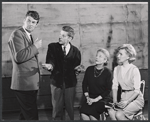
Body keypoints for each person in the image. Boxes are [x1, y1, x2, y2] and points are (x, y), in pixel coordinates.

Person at [8, 10, 42, 120]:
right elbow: (19, 57)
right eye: (29, 21)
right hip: (24, 84)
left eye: (34, 22)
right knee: (31, 116)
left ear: (36, 24)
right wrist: (35, 47)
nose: (31, 24)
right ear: (24, 20)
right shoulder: (17, 34)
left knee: (25, 115)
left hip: (29, 84)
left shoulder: (28, 35)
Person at [42, 26, 81, 120]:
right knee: (56, 109)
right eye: (60, 34)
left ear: (70, 38)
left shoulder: (76, 51)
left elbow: (76, 66)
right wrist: (50, 66)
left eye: (63, 35)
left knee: (69, 109)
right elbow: (50, 60)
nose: (60, 37)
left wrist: (78, 69)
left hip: (70, 83)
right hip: (56, 82)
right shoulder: (52, 47)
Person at [107, 44, 144, 120]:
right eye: (118, 53)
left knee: (119, 114)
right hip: (123, 98)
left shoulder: (134, 70)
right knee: (111, 112)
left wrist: (127, 101)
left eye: (121, 54)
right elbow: (114, 86)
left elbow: (137, 91)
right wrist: (114, 101)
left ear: (128, 56)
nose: (118, 56)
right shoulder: (117, 69)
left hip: (135, 99)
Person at [80, 48, 112, 120]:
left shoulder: (108, 73)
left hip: (102, 99)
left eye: (100, 56)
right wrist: (87, 97)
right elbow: (84, 84)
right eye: (97, 55)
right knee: (83, 114)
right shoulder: (89, 69)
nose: (97, 57)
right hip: (90, 98)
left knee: (92, 115)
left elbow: (108, 90)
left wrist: (96, 100)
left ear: (105, 60)